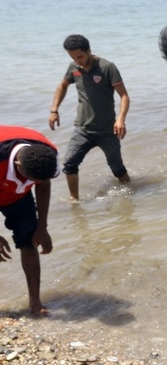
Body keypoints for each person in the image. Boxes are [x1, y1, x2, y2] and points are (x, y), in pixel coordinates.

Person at [49, 34, 131, 202]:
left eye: (80, 56)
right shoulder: (74, 68)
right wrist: (54, 110)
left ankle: (130, 196)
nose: (77, 61)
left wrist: (121, 119)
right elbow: (63, 85)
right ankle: (74, 201)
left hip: (107, 130)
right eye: (73, 57)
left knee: (117, 169)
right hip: (83, 129)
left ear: (88, 50)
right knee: (69, 164)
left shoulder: (107, 67)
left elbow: (124, 96)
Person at [0, 126, 60, 316]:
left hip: (16, 196)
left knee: (29, 240)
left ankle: (35, 302)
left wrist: (42, 227)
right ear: (18, 165)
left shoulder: (48, 155)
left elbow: (44, 184)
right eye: (30, 178)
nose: (33, 182)